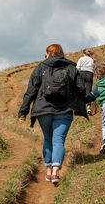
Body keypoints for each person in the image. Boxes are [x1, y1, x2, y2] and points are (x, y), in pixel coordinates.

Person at [18, 44, 88, 185]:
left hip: (43, 110)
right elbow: (81, 88)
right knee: (59, 141)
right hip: (65, 110)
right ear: (61, 53)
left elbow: (31, 91)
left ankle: (49, 171)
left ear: (49, 53)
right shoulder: (71, 67)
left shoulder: (41, 68)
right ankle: (56, 171)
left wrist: (23, 111)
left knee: (48, 139)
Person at [76, 49, 96, 115]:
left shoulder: (81, 59)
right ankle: (88, 107)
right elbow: (94, 68)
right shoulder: (92, 60)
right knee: (88, 90)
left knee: (81, 89)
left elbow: (78, 67)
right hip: (90, 74)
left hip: (82, 73)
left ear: (84, 53)